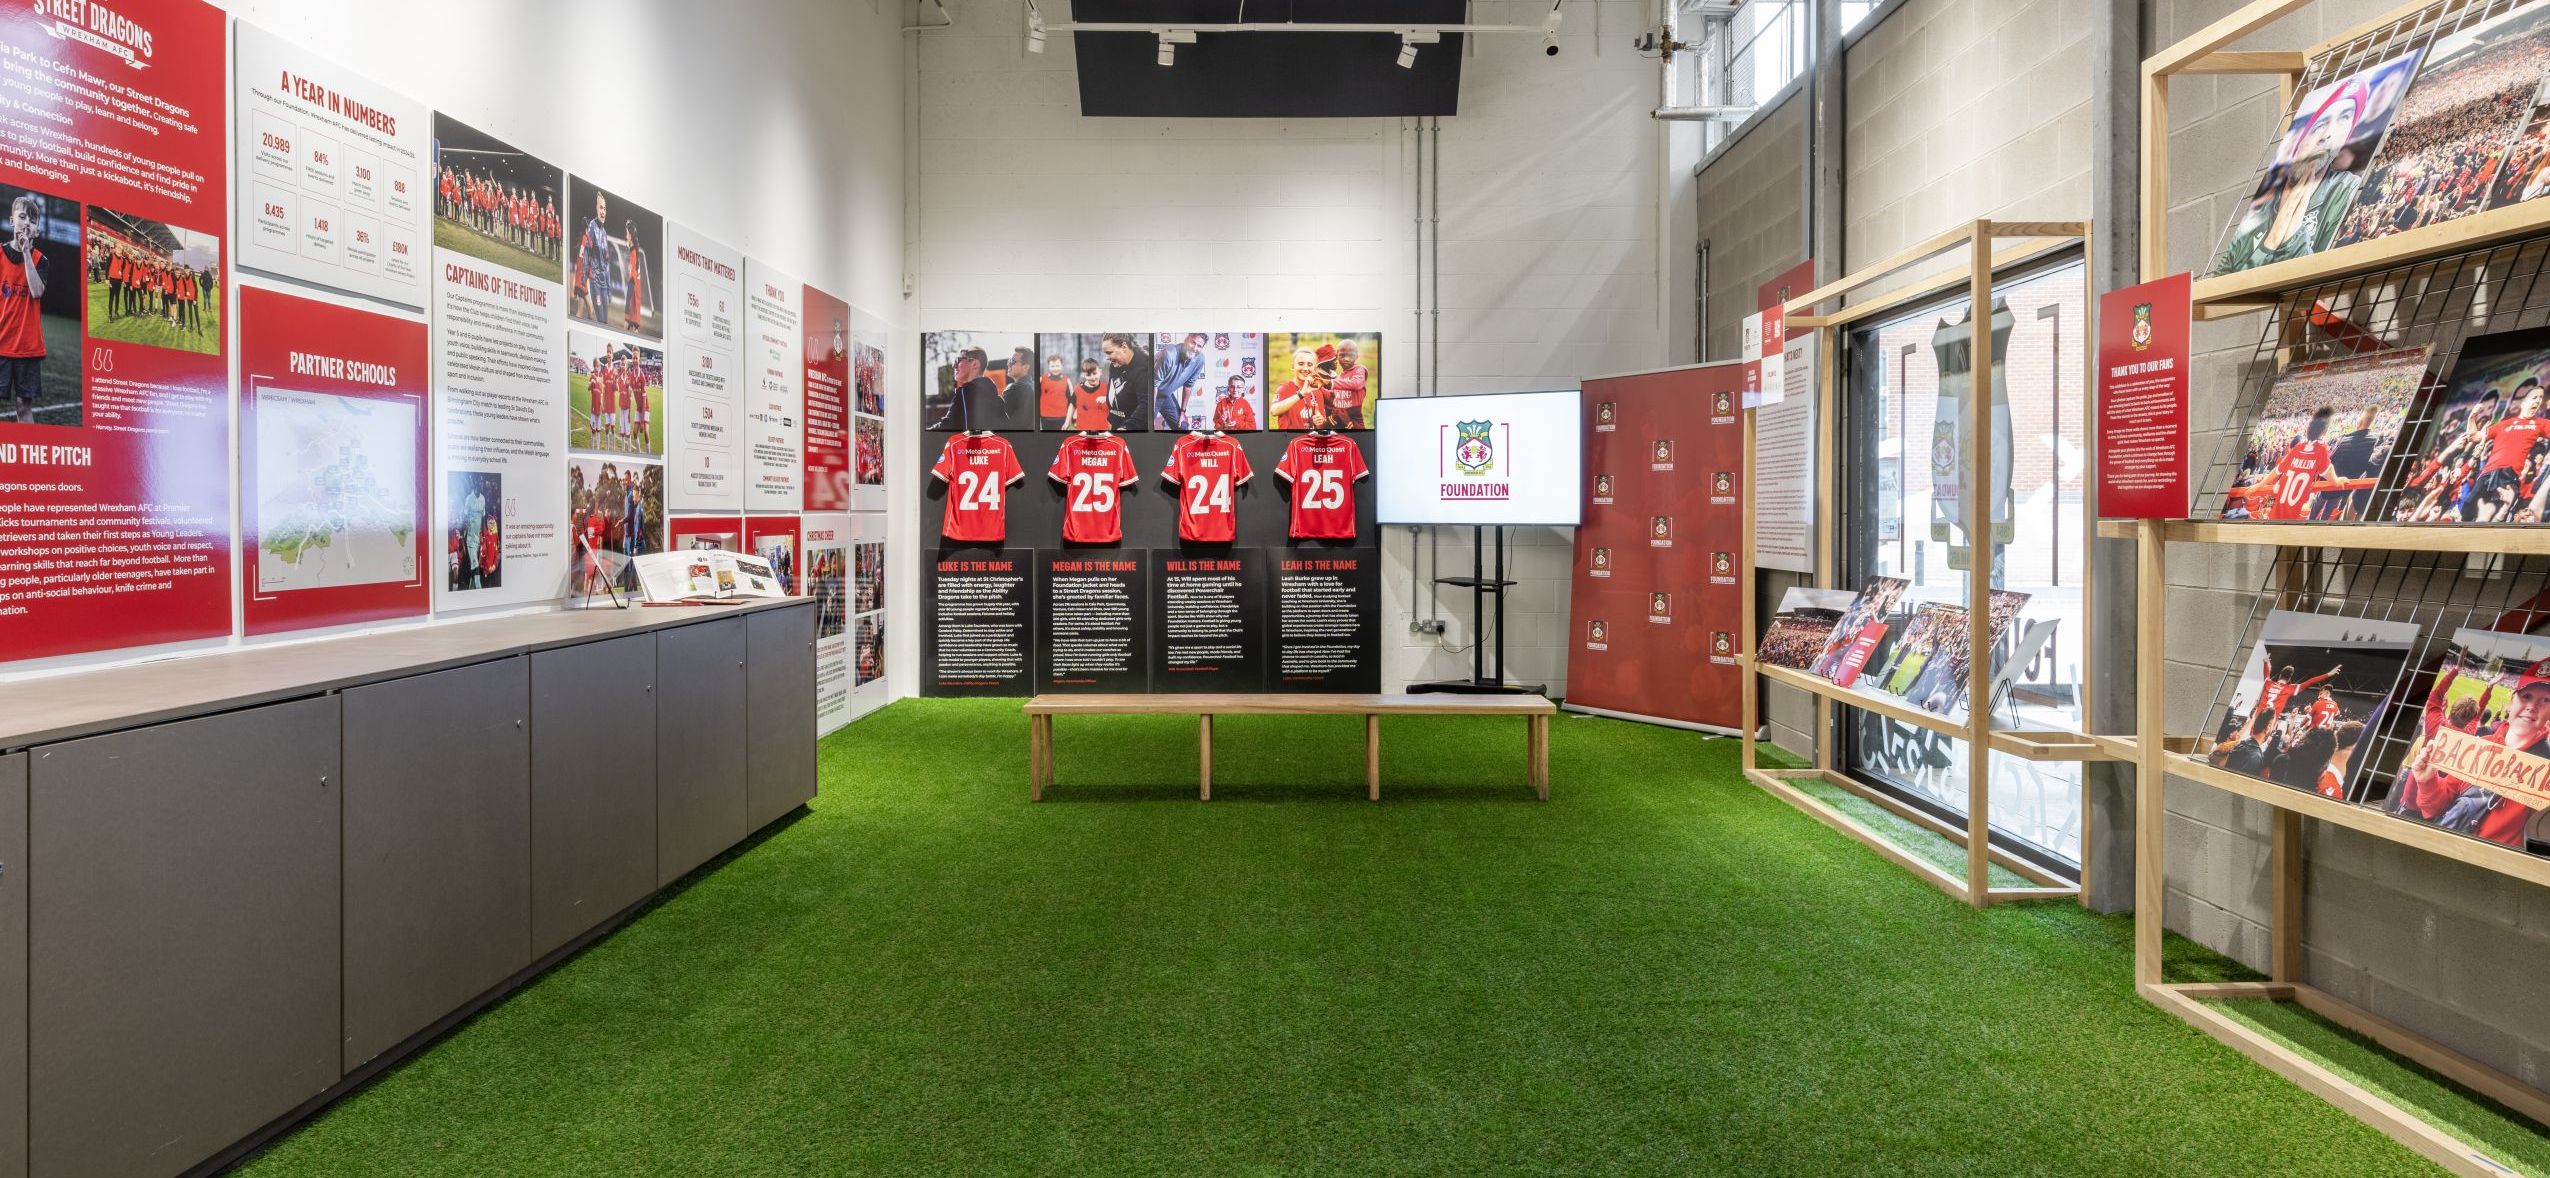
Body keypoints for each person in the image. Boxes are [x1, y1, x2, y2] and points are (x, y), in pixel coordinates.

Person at [2215, 81, 2373, 273]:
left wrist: (2292, 234)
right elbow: (2225, 280)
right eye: (2320, 123)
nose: (2328, 135)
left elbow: (2320, 280)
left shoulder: (2345, 191)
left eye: (2344, 118)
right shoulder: (2261, 205)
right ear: (2296, 138)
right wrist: (2271, 241)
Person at [0, 195, 49, 426]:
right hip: (1, 343)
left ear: (36, 230)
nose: (26, 223)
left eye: (32, 220)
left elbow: (37, 291)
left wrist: (26, 252)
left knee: (23, 406)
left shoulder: (41, 260)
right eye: (22, 217)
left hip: (28, 348)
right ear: (12, 221)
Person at [930, 346, 1005, 431]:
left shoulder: (965, 393)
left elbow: (947, 426)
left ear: (975, 364)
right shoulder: (997, 399)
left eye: (958, 360)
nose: (954, 365)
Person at [1155, 333, 1208, 430]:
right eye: (1193, 342)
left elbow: (1188, 386)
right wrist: (1150, 417)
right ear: (1186, 340)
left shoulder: (1200, 359)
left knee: (1182, 426)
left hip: (1165, 394)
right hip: (1150, 393)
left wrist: (1182, 413)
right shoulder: (1170, 354)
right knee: (1147, 426)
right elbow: (1153, 387)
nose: (1195, 348)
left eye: (1199, 346)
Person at [1100, 334, 1149, 430]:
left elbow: (1146, 404)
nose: (1107, 357)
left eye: (1109, 352)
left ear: (1124, 347)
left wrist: (1126, 427)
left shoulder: (1144, 367)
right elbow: (1114, 397)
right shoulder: (1115, 365)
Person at [1330, 339, 1371, 428]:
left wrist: (1330, 383)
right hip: (1339, 417)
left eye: (1351, 355)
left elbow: (1356, 384)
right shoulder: (1339, 377)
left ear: (1357, 356)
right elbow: (1332, 396)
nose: (1346, 359)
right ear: (1337, 356)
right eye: (1342, 355)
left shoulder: (1360, 370)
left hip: (1354, 418)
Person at [620, 219, 649, 333]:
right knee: (632, 326)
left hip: (633, 286)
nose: (625, 234)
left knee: (628, 323)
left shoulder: (634, 253)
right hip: (635, 288)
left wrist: (627, 307)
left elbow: (632, 277)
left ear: (631, 234)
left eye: (627, 232)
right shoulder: (634, 250)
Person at [1038, 354, 1071, 427]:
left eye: (1057, 366)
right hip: (1045, 417)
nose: (1055, 368)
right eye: (1052, 366)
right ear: (1049, 367)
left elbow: (1071, 400)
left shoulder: (1067, 381)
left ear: (1062, 366)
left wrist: (1069, 418)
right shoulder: (1042, 379)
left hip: (1062, 417)